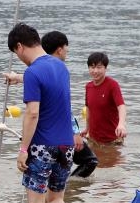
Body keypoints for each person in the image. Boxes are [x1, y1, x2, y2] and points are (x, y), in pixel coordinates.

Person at [7, 23, 75, 203]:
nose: (19, 58)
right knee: (56, 199)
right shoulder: (60, 66)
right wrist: (18, 79)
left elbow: (32, 113)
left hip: (42, 146)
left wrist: (23, 150)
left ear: (19, 46)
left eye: (16, 53)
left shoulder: (34, 73)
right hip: (66, 145)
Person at [37, 31, 97, 178]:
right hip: (62, 132)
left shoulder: (40, 67)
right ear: (60, 49)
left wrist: (17, 78)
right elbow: (65, 105)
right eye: (66, 47)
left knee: (48, 170)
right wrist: (75, 132)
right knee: (90, 161)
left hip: (44, 132)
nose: (67, 51)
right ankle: (70, 187)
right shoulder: (59, 69)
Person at [84, 51, 127, 144]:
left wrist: (121, 124)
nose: (95, 71)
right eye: (92, 67)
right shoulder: (88, 86)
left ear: (105, 68)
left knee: (113, 158)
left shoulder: (112, 85)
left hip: (112, 140)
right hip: (93, 139)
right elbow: (88, 110)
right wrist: (87, 129)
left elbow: (121, 106)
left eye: (99, 67)